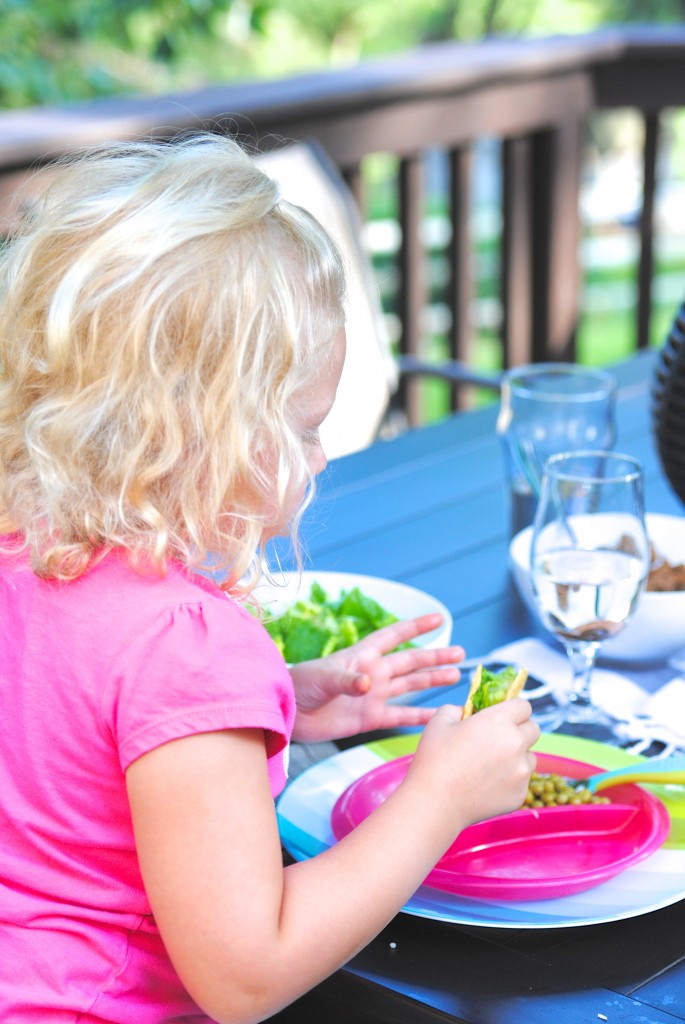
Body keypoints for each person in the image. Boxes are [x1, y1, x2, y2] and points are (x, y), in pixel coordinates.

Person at [0, 133, 539, 1024]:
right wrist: (440, 797)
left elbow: (73, 746)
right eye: (306, 427)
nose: (320, 458)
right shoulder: (190, 646)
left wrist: (274, 705)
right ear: (206, 434)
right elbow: (246, 974)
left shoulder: (24, 552)